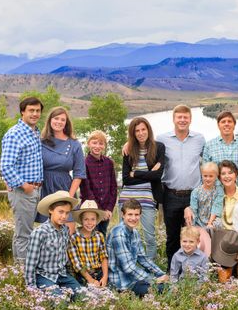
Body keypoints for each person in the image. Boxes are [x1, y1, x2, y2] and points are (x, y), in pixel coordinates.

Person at [157, 105, 206, 270]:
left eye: (186, 117)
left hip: (193, 195)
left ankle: (193, 271)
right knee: (172, 236)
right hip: (170, 194)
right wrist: (128, 143)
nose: (182, 120)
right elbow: (145, 147)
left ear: (190, 119)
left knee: (193, 235)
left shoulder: (199, 139)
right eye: (179, 117)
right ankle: (173, 271)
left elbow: (208, 161)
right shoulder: (162, 139)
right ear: (174, 119)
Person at [0, 96, 44, 262]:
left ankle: (19, 268)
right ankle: (23, 273)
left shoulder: (34, 132)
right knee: (24, 234)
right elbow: (6, 166)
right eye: (31, 110)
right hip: (23, 191)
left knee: (25, 231)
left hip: (35, 189)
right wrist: (23, 185)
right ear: (22, 112)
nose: (34, 114)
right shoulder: (15, 134)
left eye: (38, 111)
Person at [119, 117, 165, 259]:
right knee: (123, 236)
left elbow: (157, 176)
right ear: (133, 133)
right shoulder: (128, 150)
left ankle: (150, 267)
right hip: (127, 198)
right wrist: (148, 174)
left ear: (148, 130)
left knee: (150, 237)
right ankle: (126, 264)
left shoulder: (158, 147)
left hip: (147, 199)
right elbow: (126, 179)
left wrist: (136, 173)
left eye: (143, 129)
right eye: (137, 130)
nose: (140, 133)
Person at [24, 191, 82, 296]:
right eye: (61, 212)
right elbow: (30, 264)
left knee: (83, 295)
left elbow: (65, 257)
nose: (64, 216)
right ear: (51, 210)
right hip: (44, 276)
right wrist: (31, 289)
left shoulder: (65, 230)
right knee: (60, 302)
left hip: (62, 275)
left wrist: (71, 276)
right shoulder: (40, 233)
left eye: (67, 213)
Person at [38, 107, 86, 233]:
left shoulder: (74, 144)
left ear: (66, 123)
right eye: (56, 118)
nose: (59, 122)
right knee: (46, 232)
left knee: (68, 231)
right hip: (44, 188)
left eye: (62, 119)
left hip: (64, 188)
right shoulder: (40, 141)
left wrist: (69, 196)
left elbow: (79, 173)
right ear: (50, 120)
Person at [107, 200, 169, 297]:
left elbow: (143, 259)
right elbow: (128, 268)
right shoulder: (118, 234)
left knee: (167, 283)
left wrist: (161, 274)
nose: (133, 218)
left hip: (132, 277)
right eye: (130, 214)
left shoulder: (134, 233)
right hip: (121, 282)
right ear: (123, 215)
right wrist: (153, 280)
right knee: (162, 288)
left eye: (136, 214)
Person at [80, 130, 117, 236]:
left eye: (101, 143)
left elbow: (113, 188)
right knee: (90, 235)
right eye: (94, 143)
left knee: (102, 236)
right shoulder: (84, 163)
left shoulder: (109, 163)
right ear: (88, 144)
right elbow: (86, 189)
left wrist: (109, 209)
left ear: (104, 146)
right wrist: (100, 211)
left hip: (106, 211)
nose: (97, 146)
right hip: (90, 208)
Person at [184, 162, 223, 256]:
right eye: (205, 176)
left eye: (211, 176)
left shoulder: (218, 190)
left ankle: (213, 254)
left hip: (212, 219)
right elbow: (194, 209)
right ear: (201, 175)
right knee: (191, 226)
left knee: (216, 224)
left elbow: (216, 207)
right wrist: (193, 226)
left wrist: (210, 223)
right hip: (199, 220)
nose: (208, 178)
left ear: (216, 176)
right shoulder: (196, 191)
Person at [67, 200, 109, 287]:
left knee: (109, 287)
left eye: (92, 219)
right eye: (86, 219)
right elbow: (77, 263)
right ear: (81, 220)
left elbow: (103, 257)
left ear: (97, 220)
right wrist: (91, 280)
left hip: (98, 271)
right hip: (82, 274)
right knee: (87, 291)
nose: (89, 223)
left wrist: (105, 277)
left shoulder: (99, 236)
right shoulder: (74, 237)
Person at [203, 111, 238, 186]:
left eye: (229, 121)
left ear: (234, 125)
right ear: (218, 125)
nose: (226, 124)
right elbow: (205, 172)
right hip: (216, 192)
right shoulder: (209, 145)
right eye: (223, 122)